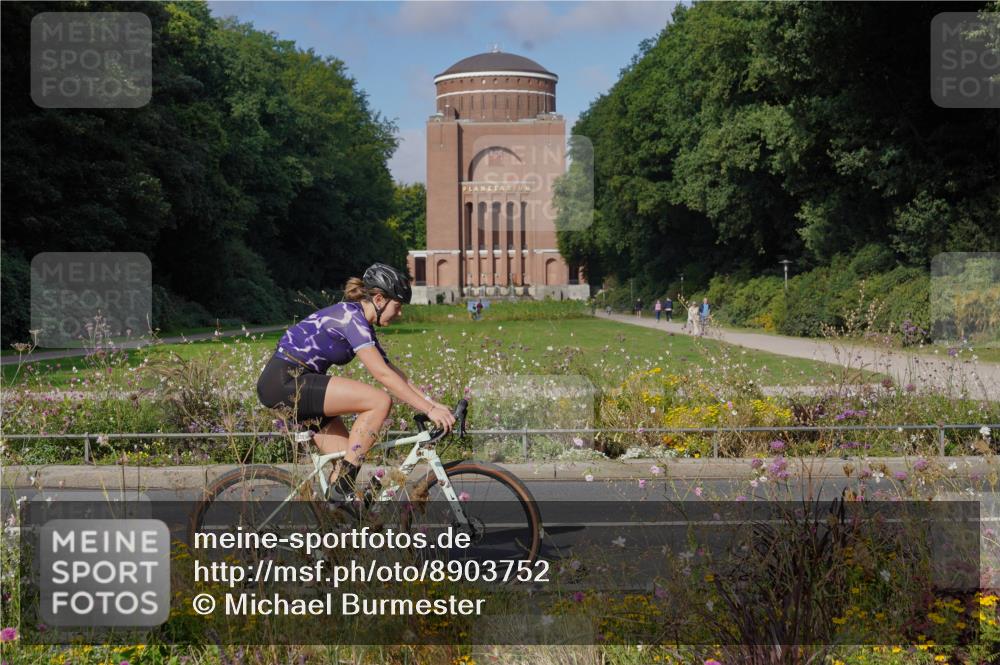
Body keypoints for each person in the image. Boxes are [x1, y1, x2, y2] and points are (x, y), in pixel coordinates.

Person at [256, 263, 455, 511]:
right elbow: (382, 375)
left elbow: (393, 371)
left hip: (298, 383)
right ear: (380, 299)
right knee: (379, 401)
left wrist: (433, 405)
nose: (400, 313)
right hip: (285, 382)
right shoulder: (351, 318)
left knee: (345, 464)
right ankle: (341, 492)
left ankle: (335, 535)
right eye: (398, 305)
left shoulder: (361, 322)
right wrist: (428, 410)